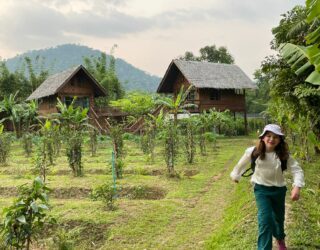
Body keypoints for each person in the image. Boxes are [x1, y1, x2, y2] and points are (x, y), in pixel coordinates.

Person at [230, 124, 305, 250]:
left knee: (278, 219)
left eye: (275, 137)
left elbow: (297, 170)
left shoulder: (283, 155)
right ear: (263, 138)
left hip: (279, 190)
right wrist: (236, 176)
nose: (271, 139)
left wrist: (297, 187)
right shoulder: (253, 152)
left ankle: (280, 238)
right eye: (268, 136)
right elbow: (240, 165)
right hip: (261, 190)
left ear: (280, 140)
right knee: (265, 220)